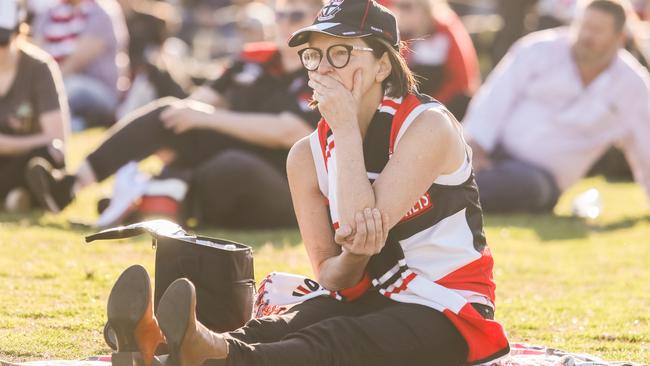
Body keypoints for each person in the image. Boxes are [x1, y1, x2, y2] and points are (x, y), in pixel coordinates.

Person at [104, 1, 509, 366]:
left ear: (383, 66)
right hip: (370, 292)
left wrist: (346, 128)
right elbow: (333, 275)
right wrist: (352, 259)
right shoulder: (305, 156)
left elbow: (361, 222)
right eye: (314, 55)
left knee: (335, 337)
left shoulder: (427, 126)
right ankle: (157, 345)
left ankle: (212, 359)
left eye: (341, 52)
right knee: (292, 322)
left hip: (450, 307)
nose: (323, 67)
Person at [27, 0, 324, 229]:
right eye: (281, 14)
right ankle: (68, 186)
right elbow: (196, 104)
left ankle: (143, 201)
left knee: (229, 167)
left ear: (317, 19)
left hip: (284, 181)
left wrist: (206, 118)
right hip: (233, 152)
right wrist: (182, 122)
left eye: (296, 15)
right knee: (169, 113)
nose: (285, 23)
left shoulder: (323, 70)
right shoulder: (251, 60)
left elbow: (290, 132)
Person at [463, 0, 650, 213]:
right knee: (450, 153)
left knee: (529, 187)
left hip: (540, 180)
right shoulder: (537, 49)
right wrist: (475, 151)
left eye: (597, 30)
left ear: (620, 38)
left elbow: (646, 149)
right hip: (491, 152)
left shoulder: (633, 86)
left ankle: (447, 194)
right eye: (583, 26)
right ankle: (450, 188)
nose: (586, 35)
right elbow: (491, 102)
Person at [0, 0, 68, 213]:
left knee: (45, 156)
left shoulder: (39, 68)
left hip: (27, 159)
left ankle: (20, 195)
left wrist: (8, 144)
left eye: (2, 40)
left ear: (19, 32)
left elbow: (56, 138)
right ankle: (16, 197)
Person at [31, 0, 128, 131]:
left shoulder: (101, 12)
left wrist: (44, 88)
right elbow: (35, 53)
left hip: (101, 90)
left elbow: (76, 62)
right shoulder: (47, 13)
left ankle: (58, 128)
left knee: (70, 87)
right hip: (57, 83)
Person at [388, 0, 480, 119]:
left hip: (447, 105)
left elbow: (463, 81)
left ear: (424, 8)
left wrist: (432, 106)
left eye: (406, 7)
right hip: (416, 106)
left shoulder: (446, 29)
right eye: (397, 6)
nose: (400, 13)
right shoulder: (402, 34)